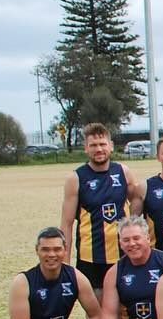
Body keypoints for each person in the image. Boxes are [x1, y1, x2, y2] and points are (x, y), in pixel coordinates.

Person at [60, 121, 142, 291]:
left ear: (110, 146)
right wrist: (64, 263)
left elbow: (137, 201)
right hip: (90, 257)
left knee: (122, 309)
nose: (99, 149)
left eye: (102, 144)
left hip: (122, 254)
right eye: (93, 145)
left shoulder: (123, 172)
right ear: (85, 148)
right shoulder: (76, 178)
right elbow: (67, 224)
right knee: (96, 311)